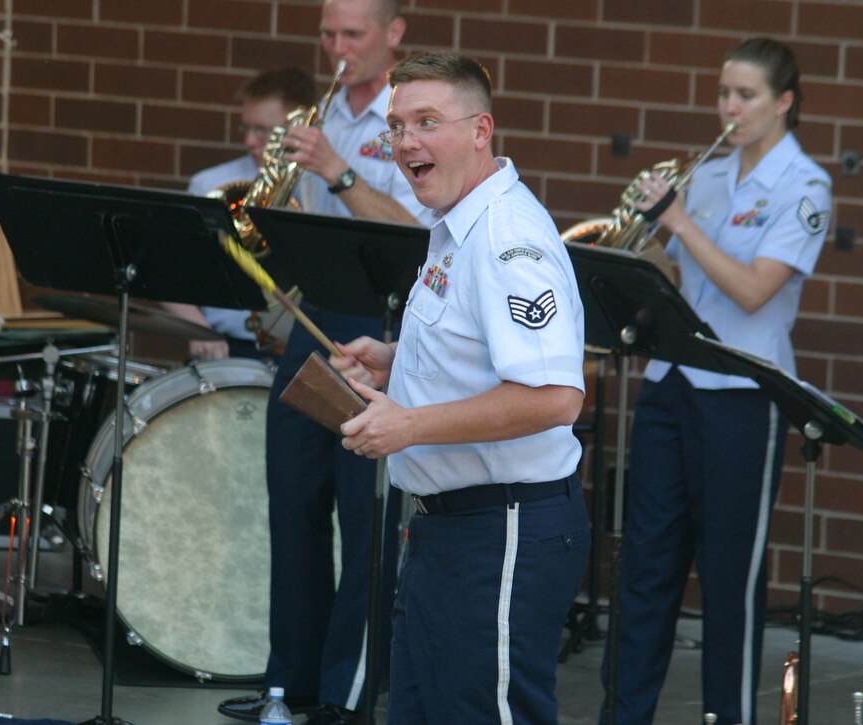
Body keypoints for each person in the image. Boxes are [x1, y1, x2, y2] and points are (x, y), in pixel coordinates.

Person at [329, 51, 591, 724]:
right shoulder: (454, 222)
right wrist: (392, 360)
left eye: (426, 122)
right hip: (445, 531)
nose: (406, 141)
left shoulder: (507, 238)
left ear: (481, 130)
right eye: (396, 124)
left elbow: (555, 397)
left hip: (502, 530)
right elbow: (475, 349)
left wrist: (410, 425)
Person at [600, 37, 831, 725]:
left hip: (743, 390)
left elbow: (755, 290)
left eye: (746, 95)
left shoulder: (804, 185)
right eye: (723, 93)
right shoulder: (707, 175)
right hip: (673, 381)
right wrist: (645, 239)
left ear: (783, 101)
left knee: (730, 580)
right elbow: (683, 285)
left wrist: (678, 220)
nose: (729, 109)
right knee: (645, 569)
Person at [216, 1, 428, 723]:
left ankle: (347, 693)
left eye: (354, 35)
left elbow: (420, 234)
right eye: (328, 35)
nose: (337, 50)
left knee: (365, 518)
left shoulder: (413, 119)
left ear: (394, 34)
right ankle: (289, 684)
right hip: (315, 320)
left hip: (384, 327)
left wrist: (338, 173)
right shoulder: (322, 110)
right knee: (295, 500)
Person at [169, 67, 316, 361]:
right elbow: (171, 271)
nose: (250, 141)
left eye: (262, 130)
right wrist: (199, 328)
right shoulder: (209, 184)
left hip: (306, 351)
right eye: (245, 128)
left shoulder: (321, 189)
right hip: (225, 347)